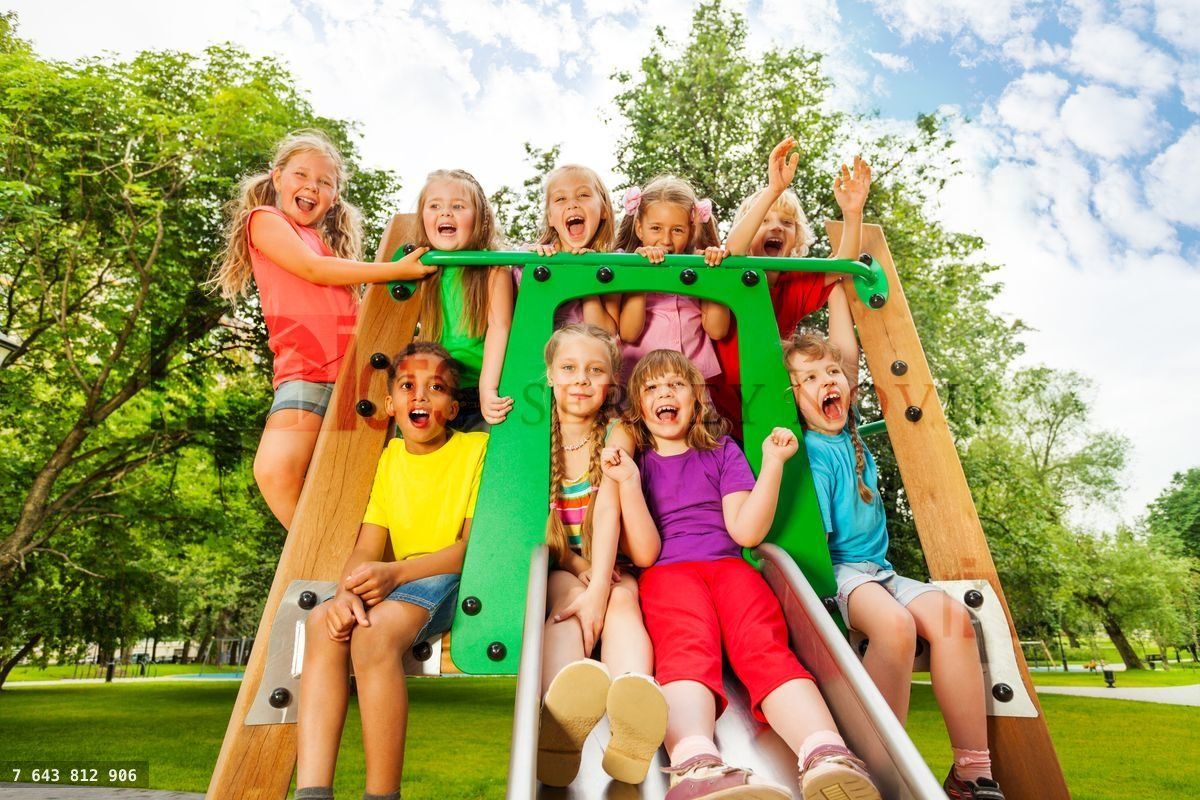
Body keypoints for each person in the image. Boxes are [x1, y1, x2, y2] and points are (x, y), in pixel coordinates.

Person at [603, 349, 880, 800]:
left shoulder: (722, 451)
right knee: (684, 648)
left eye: (675, 384)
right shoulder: (641, 465)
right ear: (639, 408)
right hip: (669, 574)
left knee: (765, 648)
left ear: (696, 398)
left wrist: (772, 464)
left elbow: (745, 530)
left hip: (730, 569)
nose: (664, 394)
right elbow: (647, 553)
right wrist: (629, 483)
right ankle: (694, 762)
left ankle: (825, 753)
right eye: (651, 388)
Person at [784, 284, 1004, 800]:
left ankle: (972, 770)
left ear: (848, 384)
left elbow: (848, 350)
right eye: (809, 378)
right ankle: (885, 760)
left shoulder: (851, 427)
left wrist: (837, 283)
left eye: (832, 373)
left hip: (880, 569)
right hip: (838, 573)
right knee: (897, 628)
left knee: (954, 620)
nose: (826, 381)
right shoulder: (810, 451)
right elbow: (816, 547)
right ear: (793, 395)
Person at [211, 130, 435, 528]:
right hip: (308, 368)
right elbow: (312, 272)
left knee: (356, 483)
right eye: (301, 175)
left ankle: (345, 558)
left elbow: (352, 307)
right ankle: (322, 557)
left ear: (334, 197)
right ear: (277, 178)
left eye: (325, 182)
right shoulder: (266, 221)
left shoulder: (324, 246)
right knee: (276, 472)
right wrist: (396, 271)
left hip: (352, 370)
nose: (312, 187)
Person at [295, 341, 488, 800]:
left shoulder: (476, 449)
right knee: (324, 622)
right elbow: (367, 546)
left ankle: (382, 795)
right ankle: (312, 791)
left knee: (374, 633)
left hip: (450, 575)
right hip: (397, 578)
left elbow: (470, 548)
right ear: (390, 405)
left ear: (453, 407)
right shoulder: (388, 460)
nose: (420, 397)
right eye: (408, 386)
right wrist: (346, 593)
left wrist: (395, 575)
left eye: (435, 388)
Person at [536, 324, 666, 788]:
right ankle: (561, 716)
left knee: (624, 601)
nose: (581, 380)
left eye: (595, 371)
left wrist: (600, 585)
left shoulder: (616, 431)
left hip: (612, 561)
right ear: (549, 375)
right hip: (563, 564)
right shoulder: (536, 436)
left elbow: (609, 509)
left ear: (611, 380)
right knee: (563, 605)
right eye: (568, 368)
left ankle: (634, 701)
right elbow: (546, 535)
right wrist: (581, 576)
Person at [711, 136, 871, 438]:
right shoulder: (732, 275)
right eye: (765, 219)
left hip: (769, 405)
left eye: (787, 223)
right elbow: (734, 247)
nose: (776, 227)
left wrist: (852, 214)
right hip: (717, 406)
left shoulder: (794, 285)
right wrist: (774, 190)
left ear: (795, 240)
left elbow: (842, 264)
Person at [411, 169, 514, 429]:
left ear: (479, 219)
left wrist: (488, 389)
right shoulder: (418, 268)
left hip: (479, 389)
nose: (446, 213)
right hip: (433, 391)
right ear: (422, 217)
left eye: (458, 206)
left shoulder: (493, 268)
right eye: (435, 205)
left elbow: (500, 327)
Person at [615, 176, 730, 381]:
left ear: (691, 231)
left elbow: (718, 330)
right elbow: (629, 334)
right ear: (640, 228)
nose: (666, 240)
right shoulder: (627, 269)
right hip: (640, 384)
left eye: (677, 230)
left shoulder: (697, 269)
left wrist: (714, 273)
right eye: (656, 228)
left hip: (692, 385)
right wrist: (641, 273)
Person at [516, 164, 621, 333]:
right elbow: (525, 323)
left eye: (583, 195)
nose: (572, 204)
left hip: (592, 355)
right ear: (550, 217)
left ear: (604, 210)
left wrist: (586, 276)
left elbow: (607, 333)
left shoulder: (611, 265)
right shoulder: (534, 258)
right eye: (560, 199)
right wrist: (533, 269)